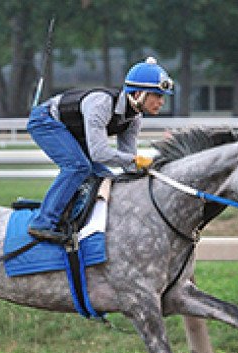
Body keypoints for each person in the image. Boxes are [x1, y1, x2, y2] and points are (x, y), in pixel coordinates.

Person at [27, 56, 174, 243]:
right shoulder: (102, 104)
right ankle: (43, 223)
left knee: (106, 178)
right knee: (78, 167)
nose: (161, 102)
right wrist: (135, 160)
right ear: (138, 94)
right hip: (45, 120)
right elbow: (99, 153)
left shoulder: (134, 118)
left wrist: (145, 173)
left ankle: (71, 216)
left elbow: (127, 160)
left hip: (72, 131)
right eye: (158, 96)